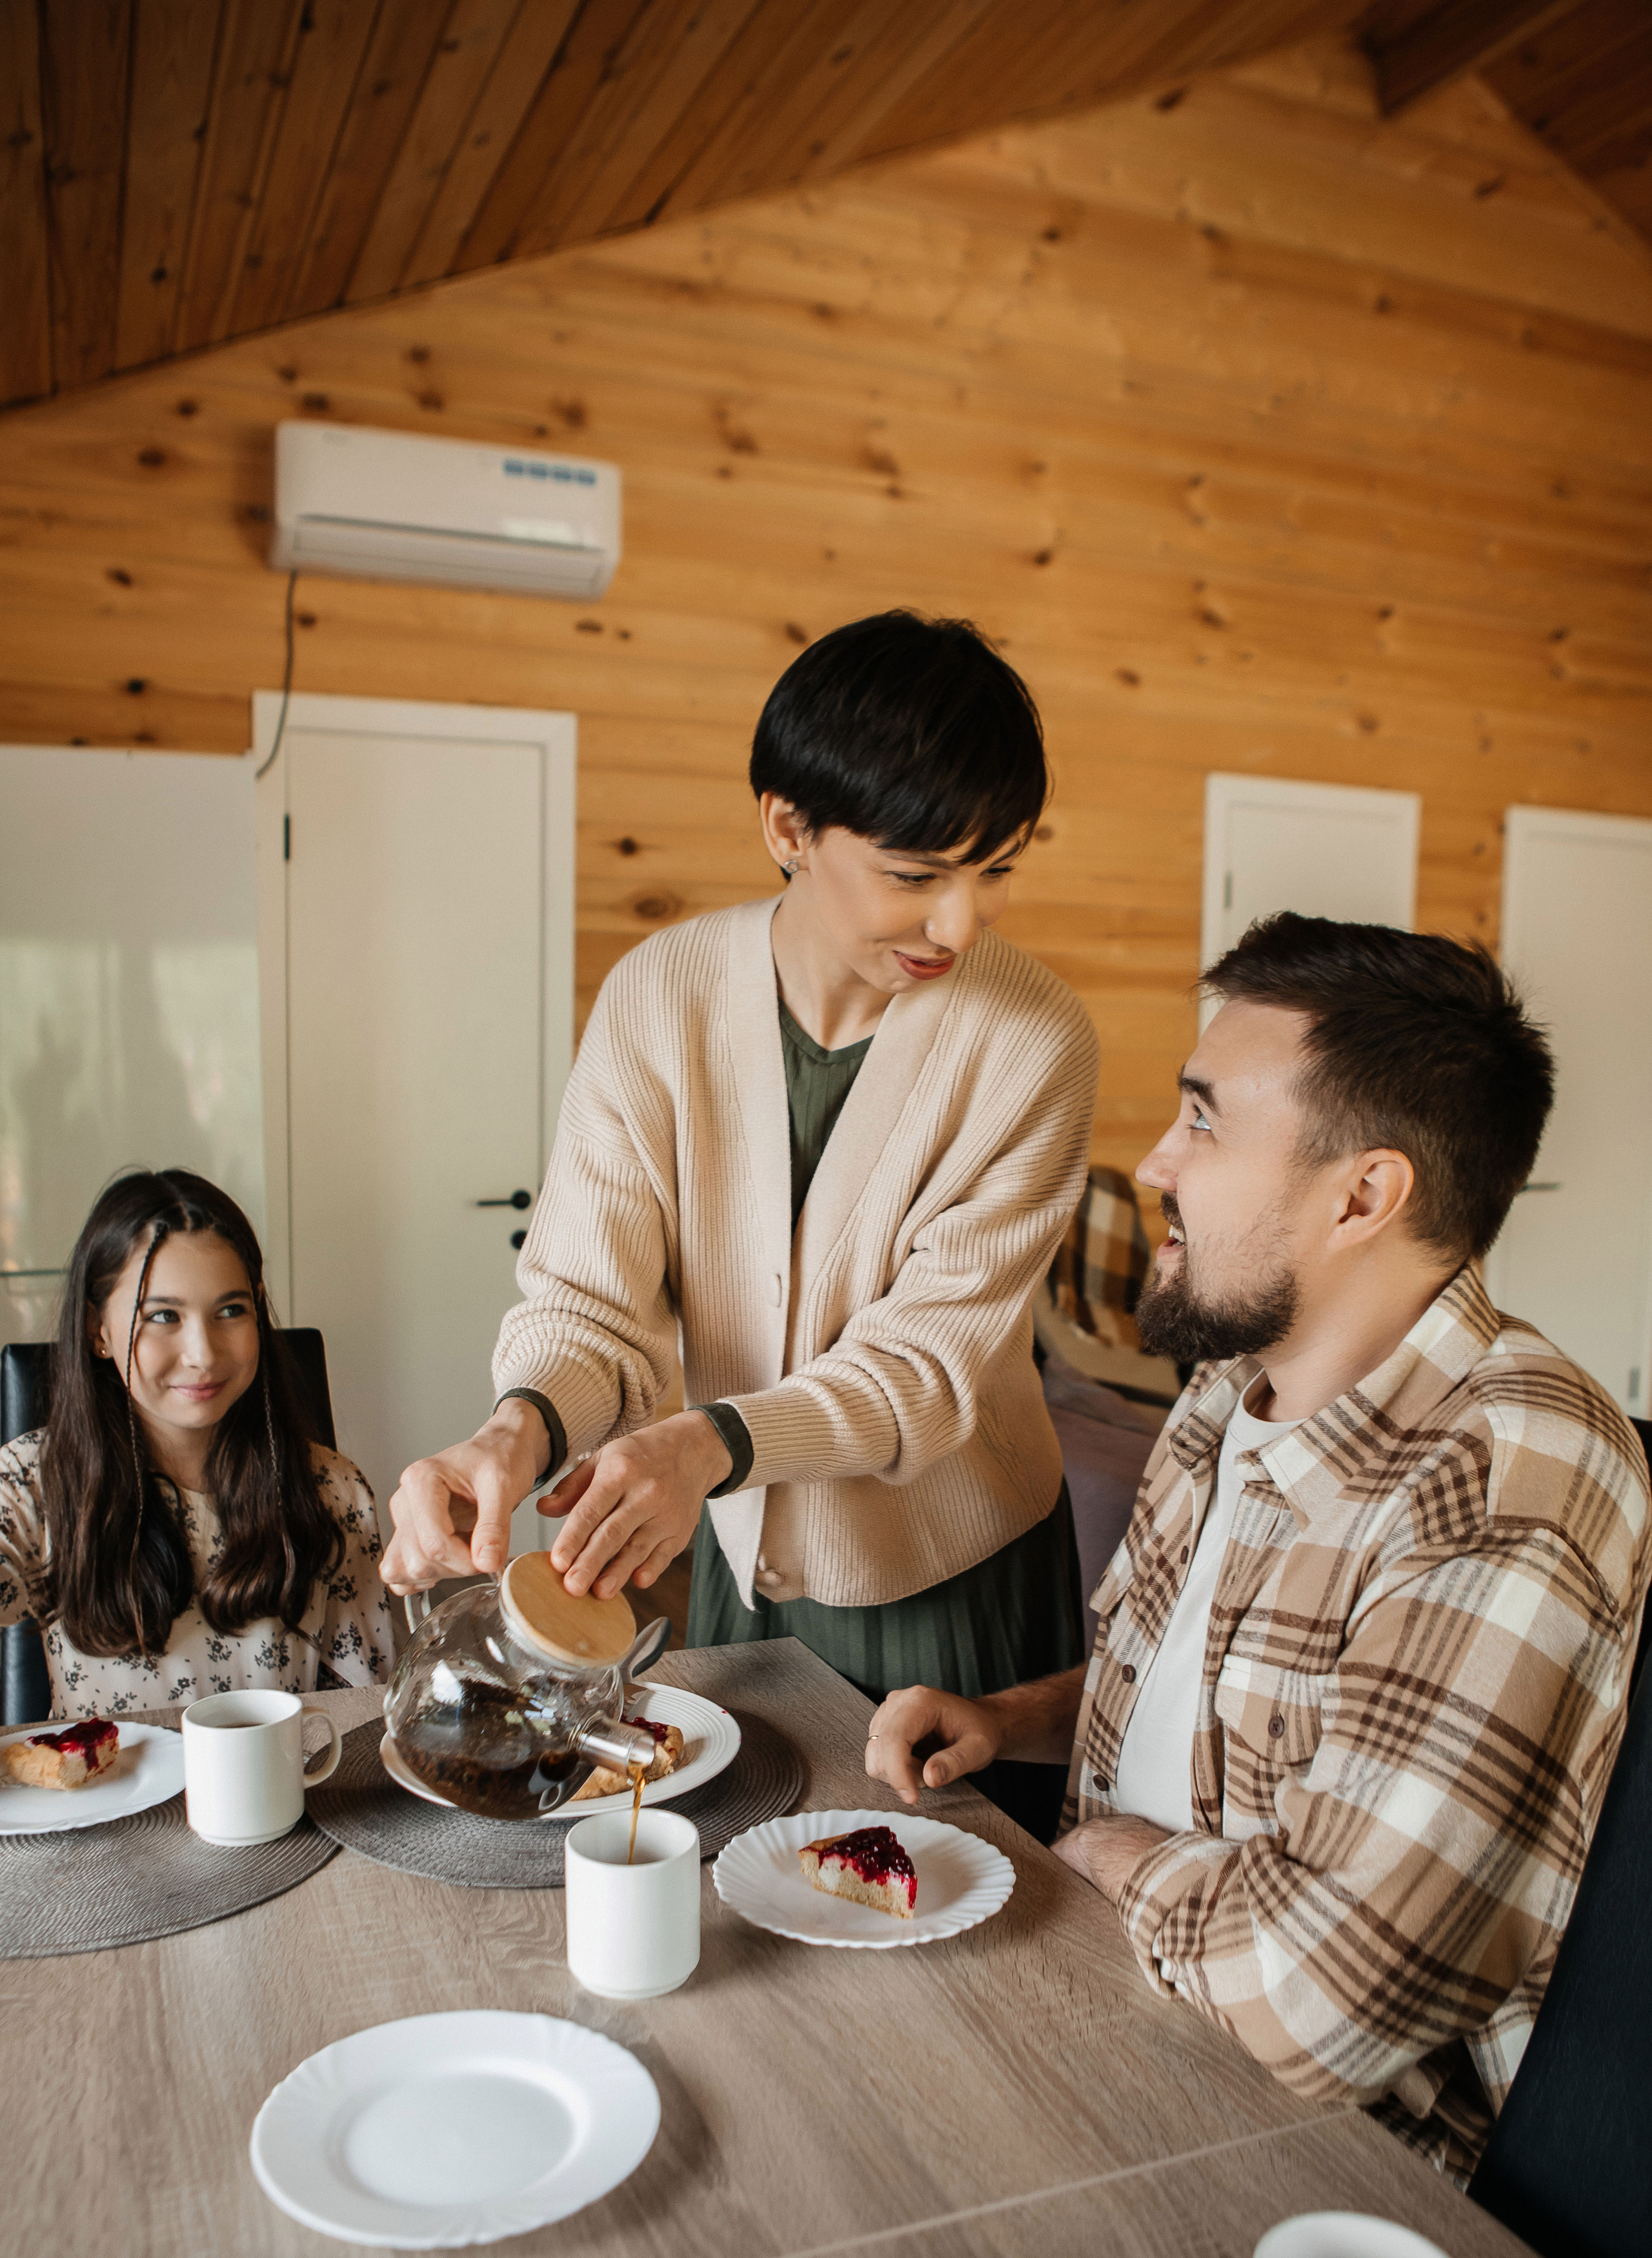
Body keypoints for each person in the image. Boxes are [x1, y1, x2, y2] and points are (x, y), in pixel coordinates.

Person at [864, 913, 1651, 2179]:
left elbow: (1330, 2004)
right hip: (1106, 2000)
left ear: (1362, 1196)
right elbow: (1224, 1688)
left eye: (1203, 1121)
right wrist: (1011, 1721)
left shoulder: (1507, 1469)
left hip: (1315, 2160)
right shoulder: (1230, 1389)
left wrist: (1106, 1855)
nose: (1154, 1165)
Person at [382, 612, 1100, 1815]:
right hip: (737, 1551)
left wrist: (706, 1445)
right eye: (917, 875)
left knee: (956, 1900)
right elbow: (591, 1306)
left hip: (954, 1575)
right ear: (788, 828)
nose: (961, 924)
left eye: (996, 870)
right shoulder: (657, 999)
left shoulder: (1035, 1041)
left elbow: (926, 1368)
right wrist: (519, 1430)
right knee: (730, 1867)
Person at [0, 1169, 396, 1717]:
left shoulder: (332, 1488)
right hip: (106, 1774)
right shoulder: (34, 1479)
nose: (203, 1354)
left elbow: (368, 1709)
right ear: (98, 1330)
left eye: (231, 1311)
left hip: (285, 1774)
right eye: (163, 1316)